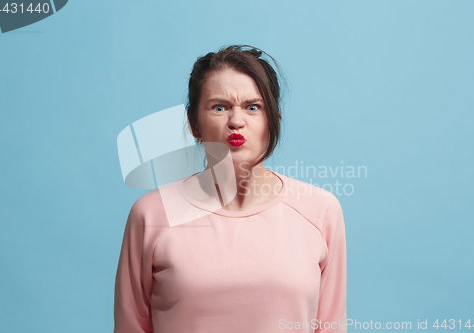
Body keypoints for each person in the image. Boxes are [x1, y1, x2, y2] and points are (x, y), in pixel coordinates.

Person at [113, 45, 347, 333]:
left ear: (273, 120)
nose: (236, 122)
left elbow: (331, 326)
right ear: (194, 124)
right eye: (219, 107)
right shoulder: (151, 214)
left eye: (252, 107)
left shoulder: (320, 211)